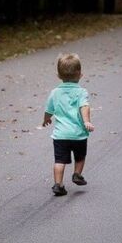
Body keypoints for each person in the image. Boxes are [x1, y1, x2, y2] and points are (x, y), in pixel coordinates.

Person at [42, 53, 95, 196]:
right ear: (80, 74)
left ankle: (58, 185)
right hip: (78, 134)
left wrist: (46, 119)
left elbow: (48, 110)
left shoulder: (55, 92)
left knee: (59, 160)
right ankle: (77, 174)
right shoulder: (81, 92)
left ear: (59, 75)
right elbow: (84, 106)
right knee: (80, 157)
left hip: (60, 135)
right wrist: (86, 121)